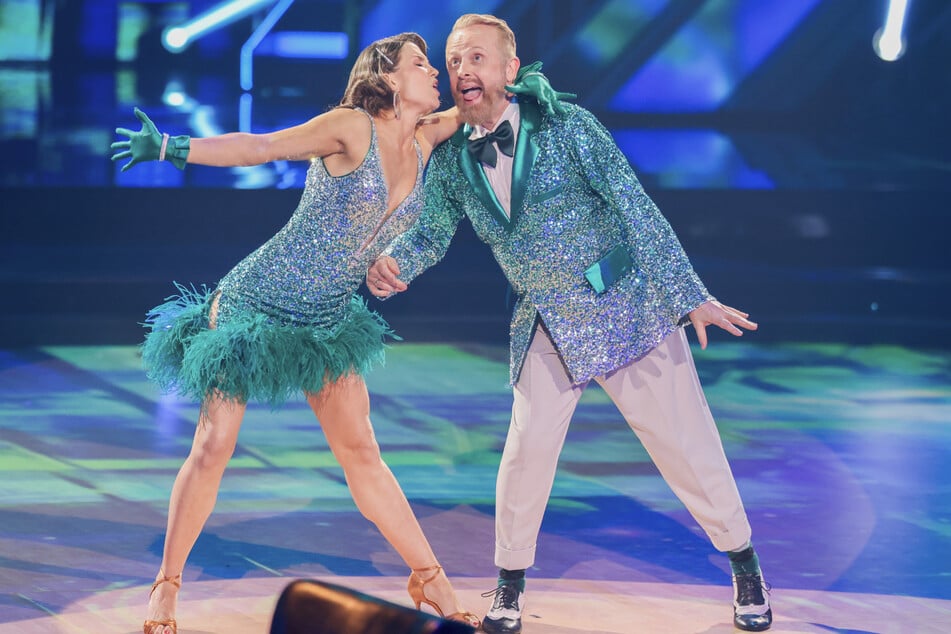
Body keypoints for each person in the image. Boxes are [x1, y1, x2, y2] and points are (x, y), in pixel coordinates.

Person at [366, 14, 773, 634]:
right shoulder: (450, 160)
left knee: (686, 445)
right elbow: (432, 231)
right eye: (453, 62)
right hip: (545, 321)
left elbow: (635, 205)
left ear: (509, 68)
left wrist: (687, 293)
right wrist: (398, 262)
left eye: (476, 58)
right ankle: (508, 587)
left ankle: (745, 566)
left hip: (625, 307)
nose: (462, 71)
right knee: (525, 455)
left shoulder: (568, 126)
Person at [110, 32, 496, 634]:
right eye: (422, 65)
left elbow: (477, 103)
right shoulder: (351, 126)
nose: (436, 74)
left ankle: (430, 580)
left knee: (363, 452)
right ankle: (166, 586)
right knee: (214, 447)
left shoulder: (425, 139)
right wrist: (172, 146)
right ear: (389, 78)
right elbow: (261, 146)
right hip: (255, 305)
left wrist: (519, 80)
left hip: (326, 318)